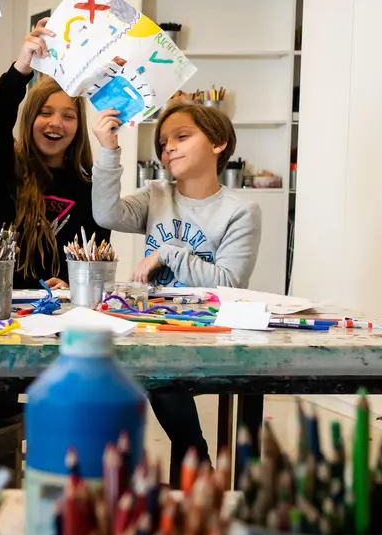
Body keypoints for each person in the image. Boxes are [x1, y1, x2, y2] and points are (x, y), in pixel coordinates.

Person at [92, 99, 260, 472]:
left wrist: (168, 252)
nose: (168, 147)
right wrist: (109, 150)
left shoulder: (239, 211)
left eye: (182, 136)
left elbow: (228, 285)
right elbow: (106, 213)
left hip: (205, 331)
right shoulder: (157, 195)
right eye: (163, 142)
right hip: (153, 327)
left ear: (218, 142)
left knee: (159, 373)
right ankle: (140, 476)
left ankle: (194, 462)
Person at [0, 18, 109, 288]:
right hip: (3, 306)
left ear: (79, 127)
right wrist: (21, 69)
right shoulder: (3, 169)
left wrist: (73, 284)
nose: (55, 123)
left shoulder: (91, 188)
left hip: (65, 313)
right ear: (29, 119)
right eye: (45, 113)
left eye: (68, 116)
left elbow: (97, 260)